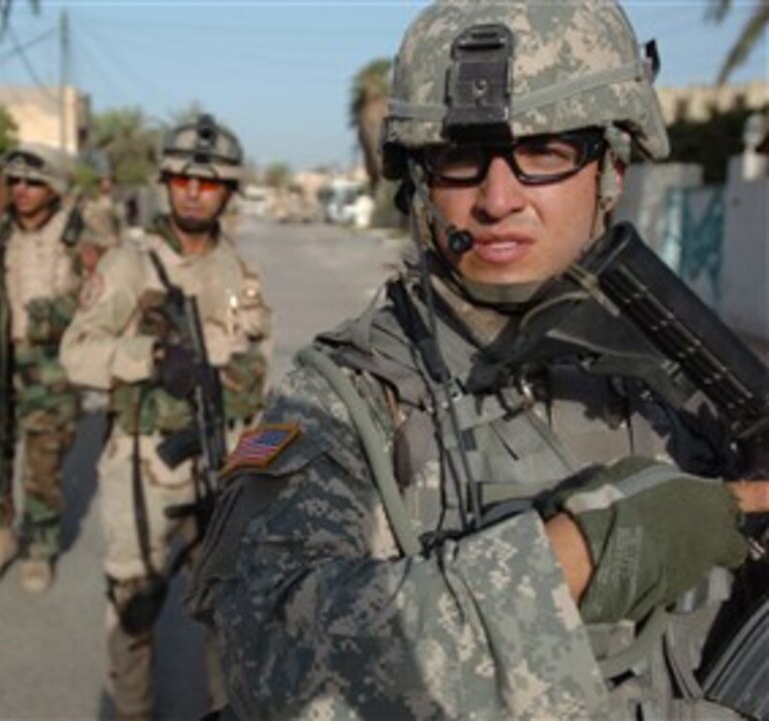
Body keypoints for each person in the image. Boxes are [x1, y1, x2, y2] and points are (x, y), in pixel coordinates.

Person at [187, 2, 769, 719]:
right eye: (461, 158)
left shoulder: (695, 378)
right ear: (420, 180)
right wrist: (582, 553)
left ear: (610, 169)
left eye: (548, 151)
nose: (499, 199)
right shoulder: (349, 396)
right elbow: (267, 664)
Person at [60, 114, 272, 720]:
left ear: (228, 191)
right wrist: (149, 357)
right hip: (145, 466)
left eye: (208, 183)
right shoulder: (129, 266)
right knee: (135, 602)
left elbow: (259, 383)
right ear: (166, 182)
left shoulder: (242, 274)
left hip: (227, 461)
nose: (193, 192)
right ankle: (130, 710)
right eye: (182, 179)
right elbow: (76, 354)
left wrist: (257, 471)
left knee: (227, 605)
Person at [0, 144, 82, 594]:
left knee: (43, 464)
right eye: (15, 181)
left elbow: (103, 297)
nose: (22, 190)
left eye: (33, 182)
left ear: (54, 187)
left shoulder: (78, 235)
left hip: (50, 367)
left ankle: (40, 548)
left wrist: (57, 314)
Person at [76, 152, 126, 275]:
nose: (107, 182)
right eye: (104, 179)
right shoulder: (89, 202)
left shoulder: (114, 203)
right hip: (92, 250)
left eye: (108, 179)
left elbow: (121, 227)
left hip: (110, 249)